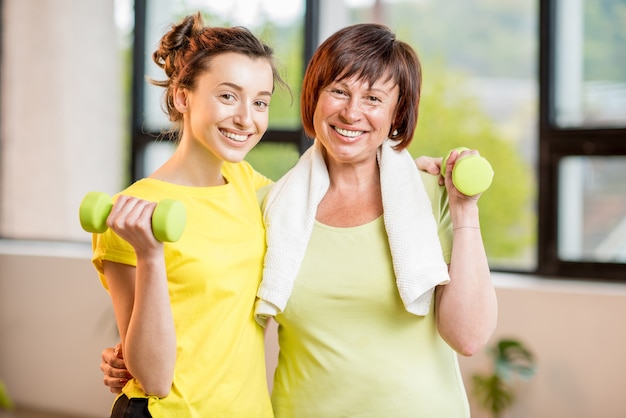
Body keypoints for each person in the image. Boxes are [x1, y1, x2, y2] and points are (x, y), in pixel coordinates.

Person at [101, 23, 497, 417]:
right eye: (338, 91)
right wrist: (128, 359)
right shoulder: (276, 205)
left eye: (374, 98)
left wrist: (460, 206)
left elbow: (468, 336)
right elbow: (193, 320)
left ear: (398, 113)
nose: (352, 111)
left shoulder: (426, 198)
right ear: (315, 99)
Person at [91, 12, 286, 417]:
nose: (246, 119)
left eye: (260, 102)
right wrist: (149, 255)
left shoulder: (250, 184)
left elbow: (328, 196)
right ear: (183, 97)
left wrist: (413, 172)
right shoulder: (130, 215)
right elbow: (154, 378)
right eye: (228, 96)